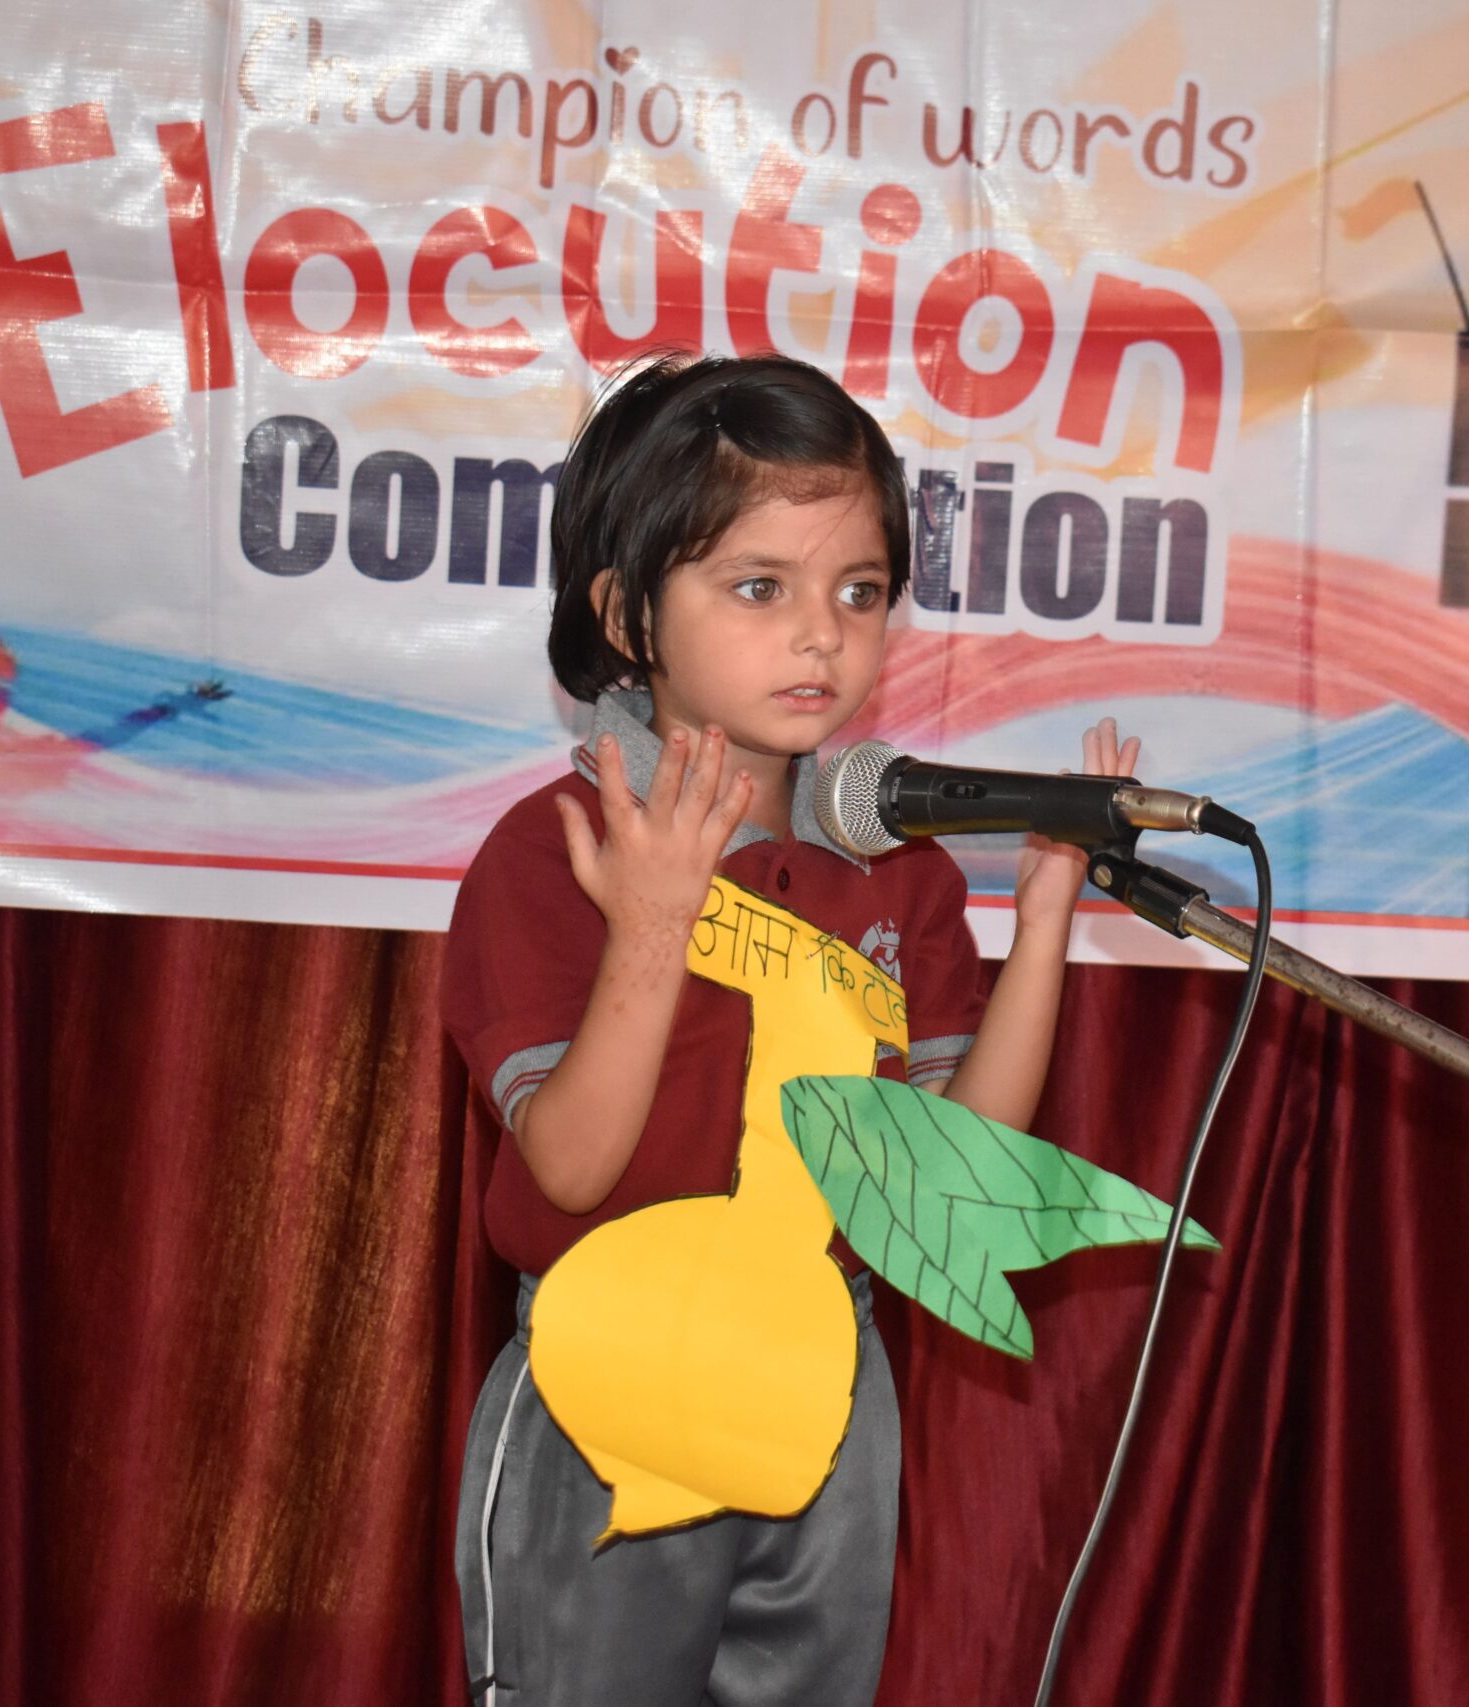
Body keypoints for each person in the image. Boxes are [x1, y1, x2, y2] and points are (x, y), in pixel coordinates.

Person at [442, 352, 1136, 1707]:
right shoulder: (561, 848)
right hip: (618, 1367)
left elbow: (942, 1191)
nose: (822, 635)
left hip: (827, 1373)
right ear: (628, 614)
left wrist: (1048, 912)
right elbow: (569, 1169)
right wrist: (654, 926)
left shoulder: (898, 875)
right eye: (760, 588)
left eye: (859, 592)